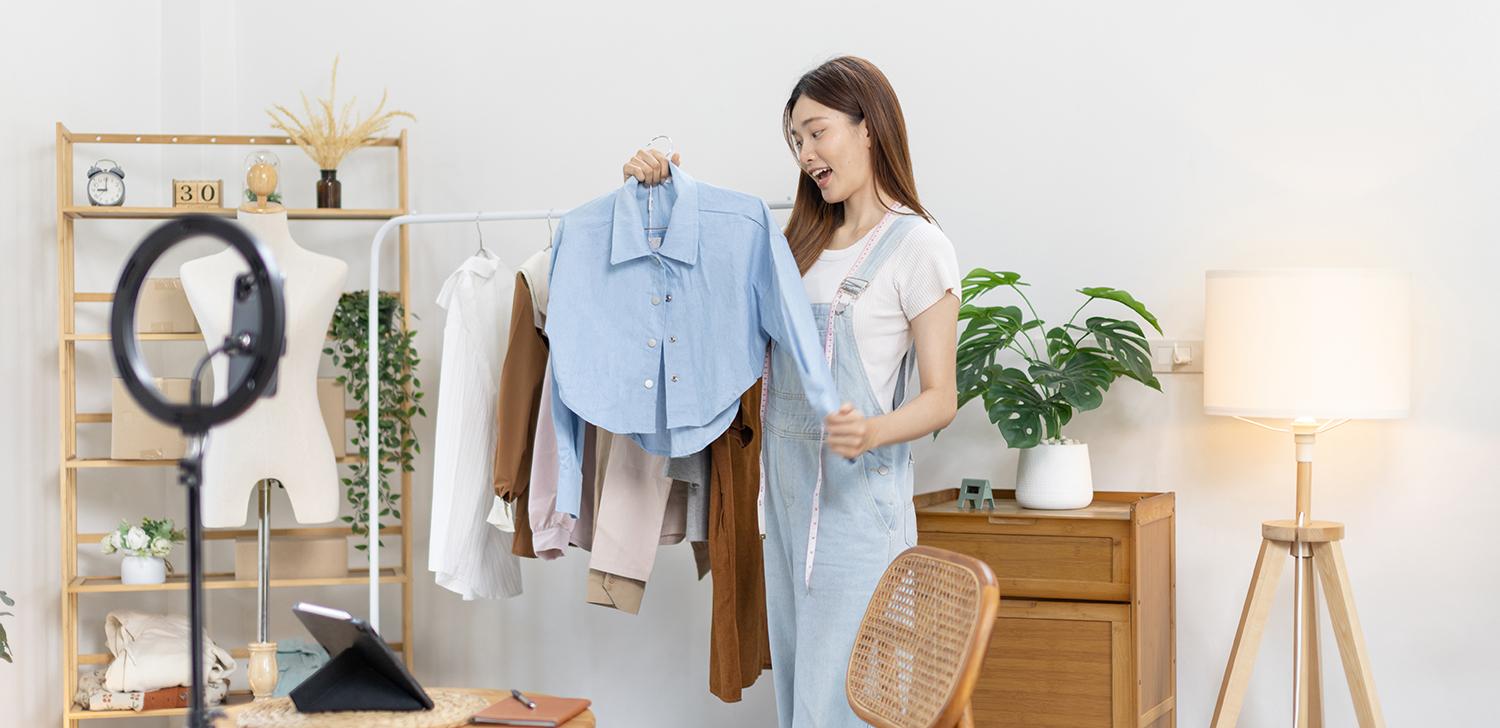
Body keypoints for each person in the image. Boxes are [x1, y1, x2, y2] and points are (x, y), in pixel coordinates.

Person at [624, 56, 959, 727]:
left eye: (816, 132)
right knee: (799, 697)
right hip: (781, 505)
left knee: (843, 700)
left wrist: (871, 429)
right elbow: (701, 311)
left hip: (858, 514)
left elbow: (940, 396)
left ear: (870, 127)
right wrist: (661, 191)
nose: (806, 154)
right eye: (796, 142)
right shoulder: (795, 246)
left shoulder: (918, 247)